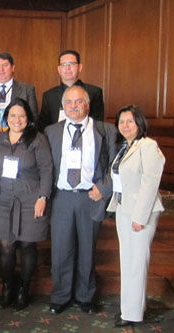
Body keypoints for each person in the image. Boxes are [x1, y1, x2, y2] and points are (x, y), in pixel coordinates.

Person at [44, 85, 116, 315]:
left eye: (78, 102)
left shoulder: (106, 131)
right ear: (63, 106)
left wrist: (103, 188)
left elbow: (116, 165)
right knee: (60, 250)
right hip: (62, 198)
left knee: (87, 249)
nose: (73, 106)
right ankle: (61, 295)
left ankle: (86, 296)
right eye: (69, 102)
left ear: (87, 104)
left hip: (90, 197)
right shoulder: (51, 131)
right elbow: (46, 168)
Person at [0, 98, 53, 310]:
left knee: (27, 245)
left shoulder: (38, 139)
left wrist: (42, 198)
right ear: (6, 118)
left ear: (28, 119)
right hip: (3, 199)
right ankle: (8, 285)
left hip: (30, 199)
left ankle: (23, 289)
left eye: (22, 115)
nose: (17, 120)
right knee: (6, 246)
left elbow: (47, 170)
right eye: (13, 115)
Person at [106, 105, 165, 328]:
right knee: (127, 261)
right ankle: (129, 308)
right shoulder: (125, 147)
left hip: (141, 212)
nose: (125, 125)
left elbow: (150, 183)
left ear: (139, 123)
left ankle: (132, 314)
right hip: (124, 209)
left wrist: (139, 217)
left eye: (130, 121)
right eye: (121, 122)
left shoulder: (148, 146)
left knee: (137, 263)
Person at [38, 49, 104, 130]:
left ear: (80, 67)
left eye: (72, 64)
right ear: (59, 69)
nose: (67, 68)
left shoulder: (94, 92)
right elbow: (43, 127)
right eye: (64, 64)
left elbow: (98, 125)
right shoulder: (49, 96)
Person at [0, 53, 38, 126]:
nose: (1, 69)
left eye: (5, 65)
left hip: (18, 134)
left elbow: (33, 117)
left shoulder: (27, 90)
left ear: (12, 68)